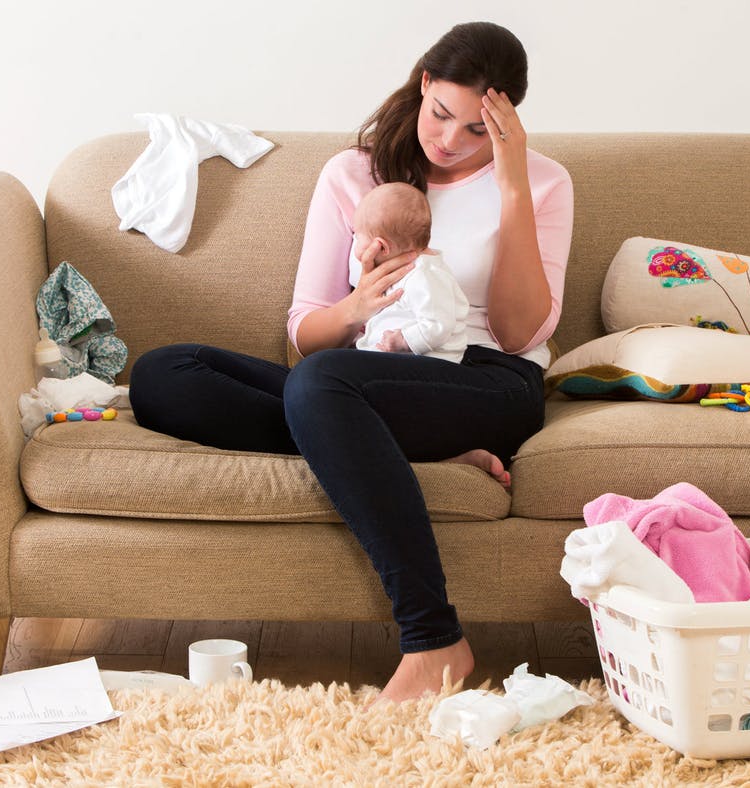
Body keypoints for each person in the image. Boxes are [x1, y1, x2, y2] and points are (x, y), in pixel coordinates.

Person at [129, 21, 574, 702]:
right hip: (366, 377)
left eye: (476, 130)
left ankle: (434, 638)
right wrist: (357, 307)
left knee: (319, 387)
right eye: (440, 113)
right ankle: (395, 445)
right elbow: (307, 334)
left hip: (489, 382)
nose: (449, 141)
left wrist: (511, 186)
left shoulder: (543, 182)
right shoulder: (353, 174)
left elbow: (519, 335)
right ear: (424, 83)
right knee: (164, 373)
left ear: (507, 121)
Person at [349, 182, 469, 363]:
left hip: (428, 362)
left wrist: (403, 340)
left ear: (382, 247)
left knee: (325, 366)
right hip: (394, 356)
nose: (356, 243)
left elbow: (438, 325)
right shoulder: (403, 271)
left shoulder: (424, 276)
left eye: (358, 236)